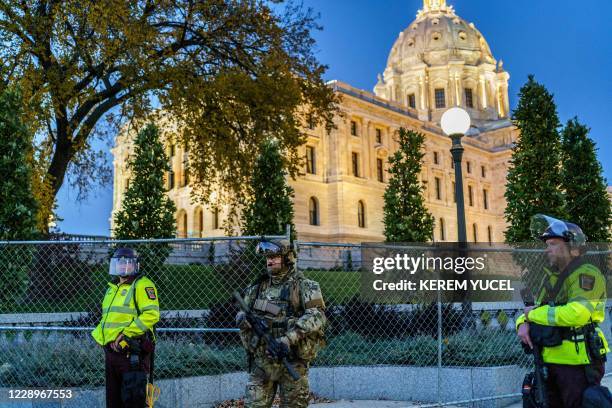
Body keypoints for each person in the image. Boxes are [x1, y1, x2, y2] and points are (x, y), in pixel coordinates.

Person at [516, 214, 609, 408]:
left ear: (572, 246)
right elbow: (536, 309)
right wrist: (522, 323)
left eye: (552, 244)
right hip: (549, 359)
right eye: (546, 244)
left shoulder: (587, 274)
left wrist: (531, 315)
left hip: (578, 362)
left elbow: (577, 313)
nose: (546, 249)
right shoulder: (550, 278)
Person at [236, 240, 327, 408]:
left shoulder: (305, 286)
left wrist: (289, 338)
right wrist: (243, 319)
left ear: (287, 258)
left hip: (292, 360)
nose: (269, 261)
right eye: (267, 258)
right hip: (262, 361)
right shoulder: (256, 288)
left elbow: (317, 315)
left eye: (274, 257)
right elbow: (242, 312)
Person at [92, 248, 160, 408]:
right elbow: (108, 318)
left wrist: (125, 334)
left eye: (127, 263)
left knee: (133, 401)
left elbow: (151, 314)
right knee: (113, 401)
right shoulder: (112, 288)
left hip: (132, 354)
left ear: (135, 265)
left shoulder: (143, 286)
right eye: (120, 263)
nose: (123, 266)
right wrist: (99, 338)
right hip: (112, 353)